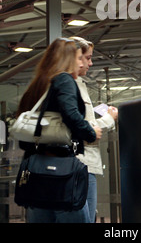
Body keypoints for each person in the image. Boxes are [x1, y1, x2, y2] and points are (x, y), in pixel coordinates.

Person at [15, 37, 102, 223]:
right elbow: (70, 113)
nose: (81, 64)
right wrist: (90, 132)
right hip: (61, 170)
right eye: (79, 58)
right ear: (67, 59)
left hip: (35, 169)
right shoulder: (64, 79)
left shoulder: (38, 83)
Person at [69, 36, 118, 223]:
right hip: (81, 164)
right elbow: (82, 127)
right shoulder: (69, 86)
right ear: (75, 57)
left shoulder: (79, 85)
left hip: (84, 164)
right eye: (86, 57)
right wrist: (108, 119)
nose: (90, 62)